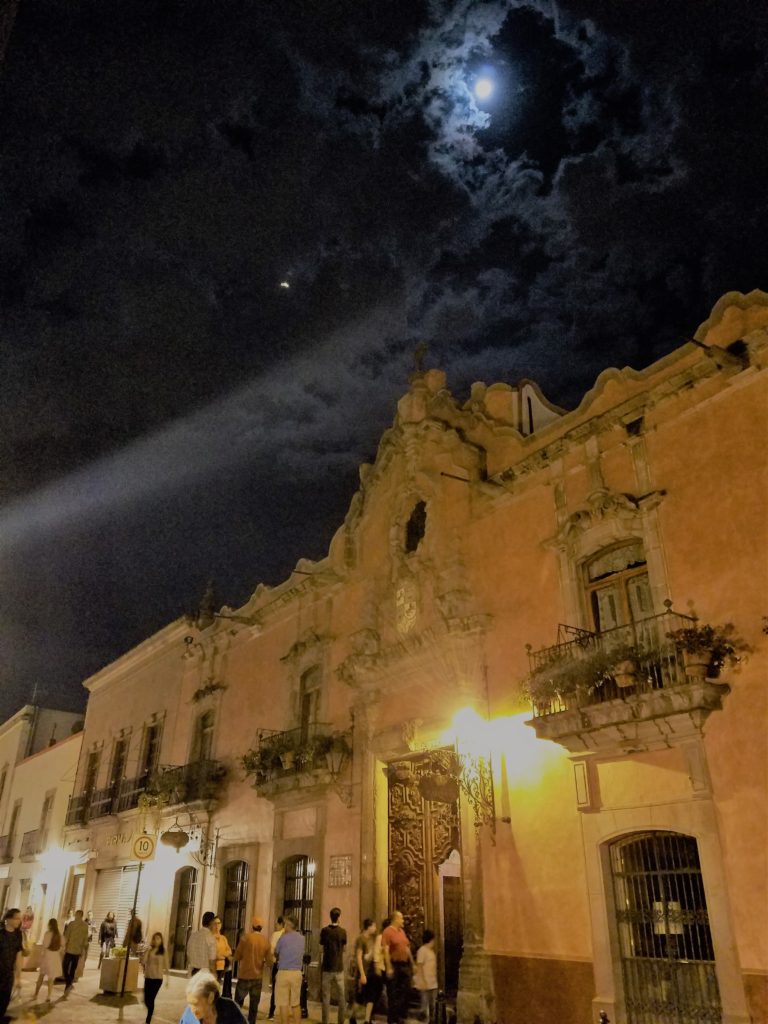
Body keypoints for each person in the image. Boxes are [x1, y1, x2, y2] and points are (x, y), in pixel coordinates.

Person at [233, 915, 271, 1024]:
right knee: (254, 1005)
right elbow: (269, 961)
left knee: (237, 1003)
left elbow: (237, 956)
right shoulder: (265, 941)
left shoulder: (245, 938)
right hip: (258, 977)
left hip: (244, 975)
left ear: (252, 926)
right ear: (261, 927)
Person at [179, 970, 247, 1024]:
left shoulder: (229, 1008)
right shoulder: (188, 1016)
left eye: (196, 1004)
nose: (192, 1010)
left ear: (210, 998)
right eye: (190, 1004)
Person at [381, 911, 413, 1024]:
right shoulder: (387, 932)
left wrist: (412, 964)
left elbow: (407, 948)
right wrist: (389, 967)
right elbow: (385, 951)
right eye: (401, 918)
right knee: (393, 993)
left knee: (406, 990)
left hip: (404, 965)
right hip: (394, 965)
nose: (403, 921)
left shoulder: (402, 932)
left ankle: (398, 1015)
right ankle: (393, 1019)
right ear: (395, 919)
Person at [274, 916, 304, 1024]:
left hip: (284, 972)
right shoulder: (302, 938)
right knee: (296, 1003)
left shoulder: (283, 938)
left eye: (286, 924)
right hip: (297, 972)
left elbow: (276, 952)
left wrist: (282, 936)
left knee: (283, 1003)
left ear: (290, 925)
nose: (284, 927)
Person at [349, 919, 380, 1024]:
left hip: (371, 972)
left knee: (371, 996)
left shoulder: (372, 939)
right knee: (360, 998)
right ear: (369, 927)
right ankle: (352, 1017)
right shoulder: (360, 939)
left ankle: (367, 1020)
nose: (375, 929)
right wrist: (362, 974)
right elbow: (359, 957)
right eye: (374, 926)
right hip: (363, 972)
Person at [320, 907, 347, 1024]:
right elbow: (344, 949)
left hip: (326, 967)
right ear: (339, 917)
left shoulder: (324, 931)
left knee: (326, 997)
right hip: (339, 967)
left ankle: (325, 1021)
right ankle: (341, 1021)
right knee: (342, 997)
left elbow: (321, 949)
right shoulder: (343, 932)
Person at [0, 909, 24, 1018]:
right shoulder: (1, 933)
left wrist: (18, 977)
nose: (19, 921)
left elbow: (19, 956)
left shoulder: (18, 935)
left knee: (5, 1000)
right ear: (8, 919)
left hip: (8, 974)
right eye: (17, 918)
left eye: (20, 918)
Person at [142, 931, 170, 1024]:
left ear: (161, 940)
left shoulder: (163, 951)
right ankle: (150, 1012)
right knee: (146, 999)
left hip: (157, 979)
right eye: (155, 938)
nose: (156, 940)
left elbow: (166, 965)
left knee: (151, 999)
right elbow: (143, 961)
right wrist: (147, 951)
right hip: (148, 977)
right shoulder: (150, 950)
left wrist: (167, 980)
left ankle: (148, 1019)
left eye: (158, 938)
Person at [34, 918, 63, 1003]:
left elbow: (45, 945)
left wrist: (41, 956)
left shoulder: (47, 934)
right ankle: (49, 996)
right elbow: (62, 947)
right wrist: (57, 951)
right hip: (55, 957)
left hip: (47, 956)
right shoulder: (59, 935)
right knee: (51, 978)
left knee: (41, 976)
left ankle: (36, 994)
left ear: (50, 925)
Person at [62, 909, 89, 992]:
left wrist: (63, 946)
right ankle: (69, 982)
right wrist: (83, 949)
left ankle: (68, 982)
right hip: (77, 950)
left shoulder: (72, 924)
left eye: (76, 914)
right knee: (73, 968)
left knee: (65, 966)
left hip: (70, 949)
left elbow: (66, 936)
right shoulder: (84, 925)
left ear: (78, 915)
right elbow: (85, 939)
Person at [414, 930, 437, 1024]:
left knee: (433, 1004)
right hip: (425, 981)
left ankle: (432, 1020)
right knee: (425, 1005)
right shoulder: (422, 951)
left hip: (432, 982)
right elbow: (419, 966)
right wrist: (422, 980)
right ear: (430, 940)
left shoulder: (431, 951)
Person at [266, 915, 284, 1020]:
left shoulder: (276, 934)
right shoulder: (289, 934)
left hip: (277, 965)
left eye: (276, 924)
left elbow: (272, 950)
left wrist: (270, 962)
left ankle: (271, 1013)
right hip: (287, 965)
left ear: (281, 924)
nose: (275, 926)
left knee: (275, 989)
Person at [212, 917, 233, 996]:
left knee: (217, 987)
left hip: (222, 966)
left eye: (219, 923)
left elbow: (229, 951)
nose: (217, 925)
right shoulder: (210, 938)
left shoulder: (223, 938)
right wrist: (222, 955)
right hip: (213, 967)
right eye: (215, 923)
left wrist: (222, 955)